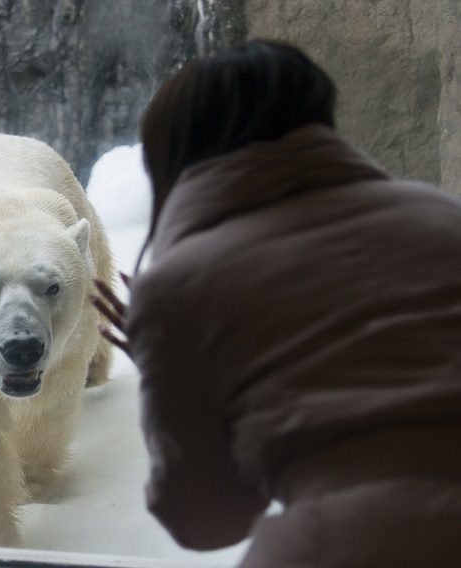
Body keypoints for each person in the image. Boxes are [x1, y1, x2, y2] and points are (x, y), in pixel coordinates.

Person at [93, 40, 461, 567]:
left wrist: (173, 367)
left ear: (171, 151)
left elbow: (207, 520)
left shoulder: (179, 287)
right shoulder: (445, 216)